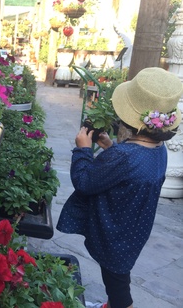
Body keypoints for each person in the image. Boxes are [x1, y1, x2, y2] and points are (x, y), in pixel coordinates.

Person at [56, 67, 183, 308]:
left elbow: (84, 182)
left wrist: (83, 149)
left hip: (115, 233)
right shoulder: (159, 150)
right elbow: (133, 171)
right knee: (117, 276)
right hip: (133, 228)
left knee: (117, 284)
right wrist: (109, 146)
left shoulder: (124, 156)